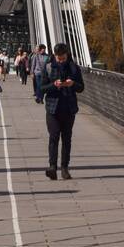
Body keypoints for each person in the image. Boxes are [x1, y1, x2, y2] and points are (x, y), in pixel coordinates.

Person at [40, 42, 84, 180]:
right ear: (55, 55)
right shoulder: (47, 67)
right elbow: (41, 88)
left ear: (67, 55)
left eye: (63, 57)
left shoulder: (74, 67)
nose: (61, 60)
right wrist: (54, 85)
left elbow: (81, 87)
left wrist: (73, 84)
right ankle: (52, 166)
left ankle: (64, 168)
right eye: (59, 58)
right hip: (53, 108)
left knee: (67, 139)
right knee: (53, 137)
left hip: (69, 108)